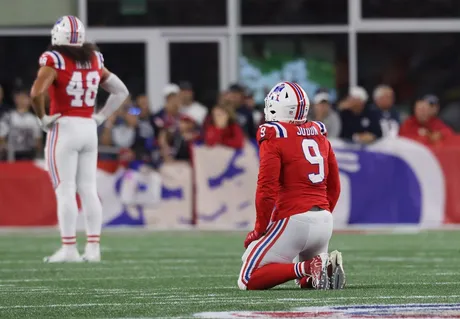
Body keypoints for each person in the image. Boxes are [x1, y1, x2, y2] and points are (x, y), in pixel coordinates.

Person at [30, 16, 129, 263]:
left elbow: (36, 93)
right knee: (88, 188)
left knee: (65, 189)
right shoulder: (94, 59)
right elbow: (121, 91)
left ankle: (69, 249)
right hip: (88, 127)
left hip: (64, 126)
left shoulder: (54, 59)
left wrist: (42, 118)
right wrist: (101, 117)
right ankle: (93, 248)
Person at [237, 81, 344, 291]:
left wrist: (259, 229)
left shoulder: (275, 135)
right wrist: (321, 213)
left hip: (295, 219)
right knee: (307, 282)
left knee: (247, 278)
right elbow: (335, 186)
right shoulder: (319, 133)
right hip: (324, 221)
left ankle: (310, 265)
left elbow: (266, 190)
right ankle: (319, 268)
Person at [0, 89, 42, 161]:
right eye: (20, 97)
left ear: (30, 100)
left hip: (29, 154)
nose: (22, 100)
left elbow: (38, 142)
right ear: (15, 99)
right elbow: (1, 138)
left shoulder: (34, 120)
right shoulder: (8, 117)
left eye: (25, 98)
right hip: (11, 154)